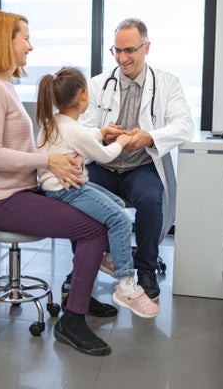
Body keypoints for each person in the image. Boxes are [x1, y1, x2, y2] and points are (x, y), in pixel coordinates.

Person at [0, 10, 113, 356]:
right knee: (93, 229)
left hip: (18, 191)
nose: (30, 46)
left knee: (97, 212)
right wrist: (47, 161)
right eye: (25, 38)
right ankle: (72, 320)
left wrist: (61, 163)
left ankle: (81, 297)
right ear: (6, 41)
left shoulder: (5, 86)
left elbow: (22, 148)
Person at [75, 17, 195, 302]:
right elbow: (83, 127)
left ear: (146, 47)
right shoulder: (97, 84)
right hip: (103, 164)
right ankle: (83, 267)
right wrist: (102, 135)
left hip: (141, 166)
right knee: (76, 193)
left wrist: (150, 138)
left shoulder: (167, 83)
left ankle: (146, 269)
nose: (122, 58)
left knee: (151, 200)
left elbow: (185, 125)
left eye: (129, 50)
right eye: (117, 51)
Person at [36, 67, 160, 318]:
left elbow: (79, 137)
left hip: (60, 188)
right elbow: (104, 154)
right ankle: (126, 285)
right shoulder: (75, 130)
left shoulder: (54, 122)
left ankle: (106, 256)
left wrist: (102, 133)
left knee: (115, 202)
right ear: (84, 95)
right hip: (68, 191)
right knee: (121, 218)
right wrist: (121, 142)